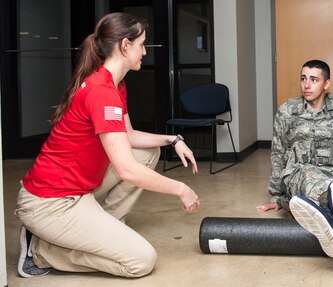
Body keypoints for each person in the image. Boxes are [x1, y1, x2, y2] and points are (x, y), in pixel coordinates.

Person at [15, 12, 200, 279]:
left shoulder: (114, 84)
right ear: (125, 46)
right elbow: (127, 171)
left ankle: (102, 230)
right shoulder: (102, 93)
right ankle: (41, 251)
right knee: (140, 261)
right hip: (51, 204)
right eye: (141, 44)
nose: (144, 52)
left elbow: (129, 135)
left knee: (148, 153)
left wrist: (173, 139)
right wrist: (181, 189)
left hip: (78, 191)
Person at [256, 59, 333, 258]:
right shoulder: (287, 112)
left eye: (314, 80)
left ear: (326, 84)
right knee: (310, 182)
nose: (307, 85)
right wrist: (276, 195)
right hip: (303, 171)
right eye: (303, 78)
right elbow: (278, 152)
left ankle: (332, 227)